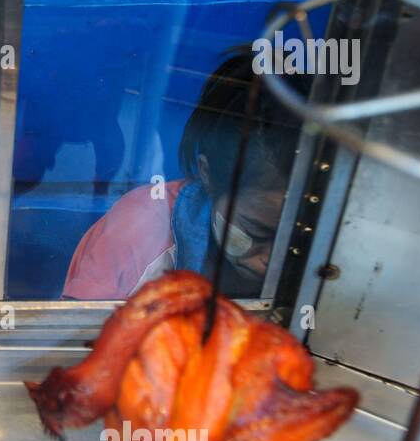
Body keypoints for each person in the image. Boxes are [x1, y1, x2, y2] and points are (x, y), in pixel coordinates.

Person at [62, 53, 301, 300]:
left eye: (295, 240)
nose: (272, 260)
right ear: (207, 174)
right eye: (257, 232)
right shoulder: (139, 234)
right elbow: (78, 334)